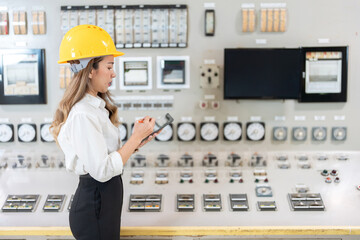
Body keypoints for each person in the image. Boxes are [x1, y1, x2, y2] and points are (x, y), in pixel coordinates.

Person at [50, 24, 158, 240]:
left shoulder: (94, 108)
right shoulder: (83, 114)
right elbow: (101, 171)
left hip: (103, 202)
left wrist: (134, 144)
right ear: (90, 69)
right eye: (109, 66)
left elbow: (103, 155)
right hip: (95, 205)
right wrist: (135, 136)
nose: (113, 73)